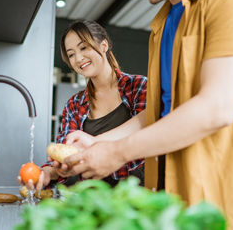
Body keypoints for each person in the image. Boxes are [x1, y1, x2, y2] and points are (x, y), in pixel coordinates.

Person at [52, 0, 233, 229]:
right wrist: (95, 142)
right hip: (177, 200)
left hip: (225, 197)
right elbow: (157, 113)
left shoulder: (228, 1)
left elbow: (217, 108)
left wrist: (117, 152)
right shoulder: (161, 26)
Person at [18, 20, 147, 189]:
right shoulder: (74, 105)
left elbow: (149, 132)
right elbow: (66, 156)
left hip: (139, 198)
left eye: (84, 47)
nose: (78, 58)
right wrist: (48, 173)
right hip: (92, 200)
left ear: (104, 45)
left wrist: (93, 141)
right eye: (71, 54)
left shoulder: (137, 87)